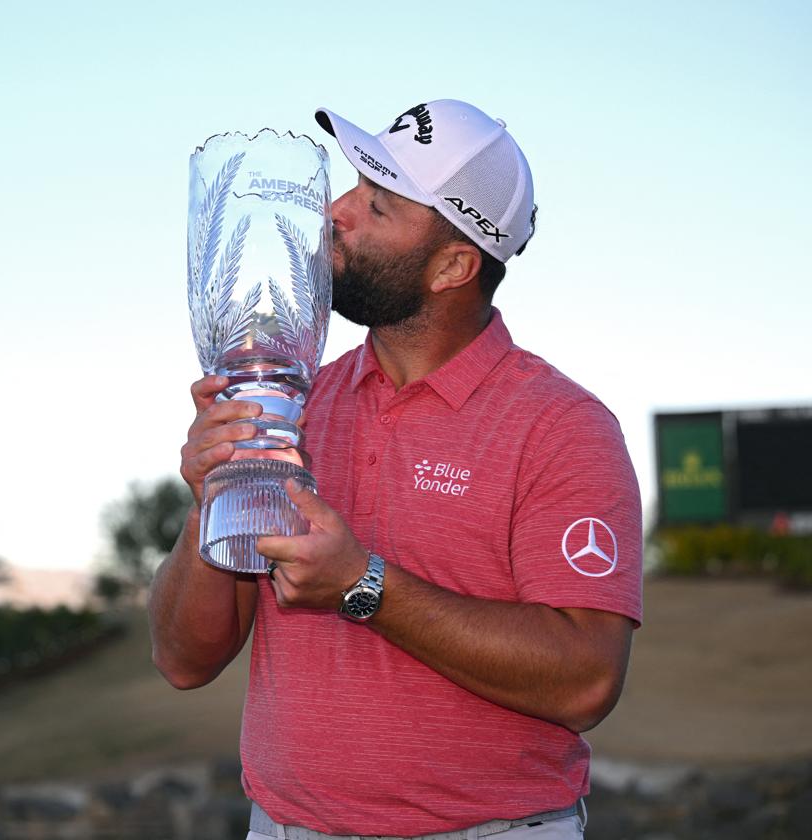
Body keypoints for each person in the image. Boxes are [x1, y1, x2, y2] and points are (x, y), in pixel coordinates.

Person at [149, 99, 642, 840]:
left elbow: (585, 680)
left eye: (376, 205)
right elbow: (184, 660)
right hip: (285, 827)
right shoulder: (297, 400)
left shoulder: (561, 427)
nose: (336, 213)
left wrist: (363, 583)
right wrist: (214, 495)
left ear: (453, 265)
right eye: (351, 186)